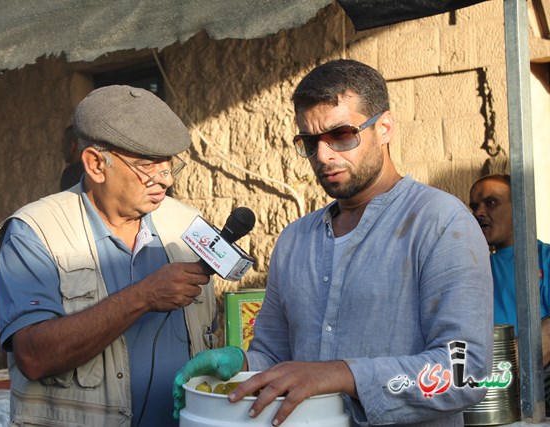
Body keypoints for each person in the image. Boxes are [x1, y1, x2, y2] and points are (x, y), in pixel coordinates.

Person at [174, 59, 493, 426]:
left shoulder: (441, 223)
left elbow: (464, 373)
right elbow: (276, 356)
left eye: (342, 134)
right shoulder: (295, 240)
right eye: (310, 142)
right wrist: (240, 365)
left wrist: (344, 375)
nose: (324, 156)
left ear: (384, 128)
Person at [0, 85, 217, 427]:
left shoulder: (188, 225)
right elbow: (33, 356)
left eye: (170, 166)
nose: (165, 181)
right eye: (147, 167)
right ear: (97, 164)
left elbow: (213, 332)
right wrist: (144, 296)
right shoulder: (35, 232)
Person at [469, 174, 550, 364]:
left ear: (519, 208)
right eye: (474, 206)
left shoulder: (545, 257)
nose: (478, 212)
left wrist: (507, 363)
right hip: (486, 385)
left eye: (490, 202)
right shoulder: (470, 270)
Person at [59, 125, 85, 191]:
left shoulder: (71, 173)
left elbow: (66, 200)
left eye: (63, 143)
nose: (61, 149)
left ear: (72, 146)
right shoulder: (94, 170)